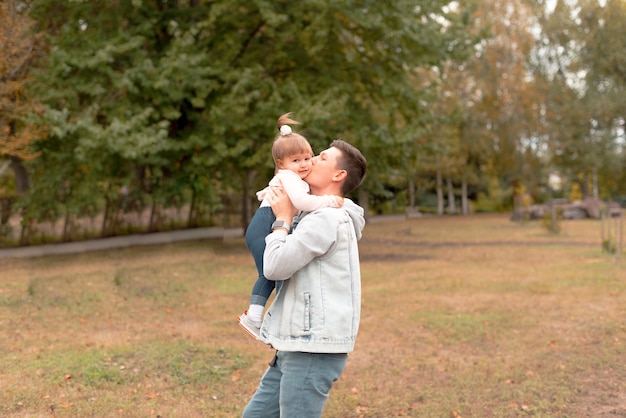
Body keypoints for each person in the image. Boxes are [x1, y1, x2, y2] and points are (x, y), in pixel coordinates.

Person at [242, 138, 368, 418]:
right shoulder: (314, 212)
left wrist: (282, 220)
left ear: (338, 175)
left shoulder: (326, 219)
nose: (310, 161)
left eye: (321, 158)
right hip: (294, 342)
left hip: (312, 347)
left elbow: (272, 267)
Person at [239, 113, 344, 339]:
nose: (304, 164)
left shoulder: (289, 176)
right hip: (264, 224)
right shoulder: (290, 177)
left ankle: (272, 318)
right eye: (296, 160)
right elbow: (302, 202)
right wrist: (329, 201)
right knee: (270, 272)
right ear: (281, 164)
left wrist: (265, 192)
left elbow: (272, 189)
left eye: (307, 158)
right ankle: (255, 317)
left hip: (265, 222)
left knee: (277, 274)